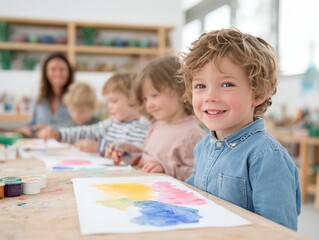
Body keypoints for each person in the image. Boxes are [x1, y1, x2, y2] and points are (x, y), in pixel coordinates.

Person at [179, 28, 301, 230]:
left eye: (227, 84)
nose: (210, 96)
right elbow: (195, 193)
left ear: (258, 93)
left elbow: (278, 231)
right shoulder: (203, 146)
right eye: (200, 86)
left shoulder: (267, 157)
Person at [106, 56, 205, 181]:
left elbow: (198, 176)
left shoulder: (192, 135)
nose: (149, 104)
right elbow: (149, 157)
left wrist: (166, 169)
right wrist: (130, 151)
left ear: (180, 90)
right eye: (145, 99)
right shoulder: (158, 124)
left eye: (154, 95)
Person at [38, 72, 150, 156]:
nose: (109, 106)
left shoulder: (145, 127)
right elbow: (86, 132)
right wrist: (59, 134)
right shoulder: (110, 124)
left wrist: (98, 147)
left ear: (134, 99)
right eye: (107, 102)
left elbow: (134, 154)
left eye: (114, 101)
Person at [20, 53, 74, 137]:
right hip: (41, 147)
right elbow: (31, 124)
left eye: (62, 69)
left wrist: (52, 130)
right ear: (46, 72)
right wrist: (28, 129)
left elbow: (81, 126)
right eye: (53, 69)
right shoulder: (39, 99)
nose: (58, 73)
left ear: (69, 72)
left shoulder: (76, 98)